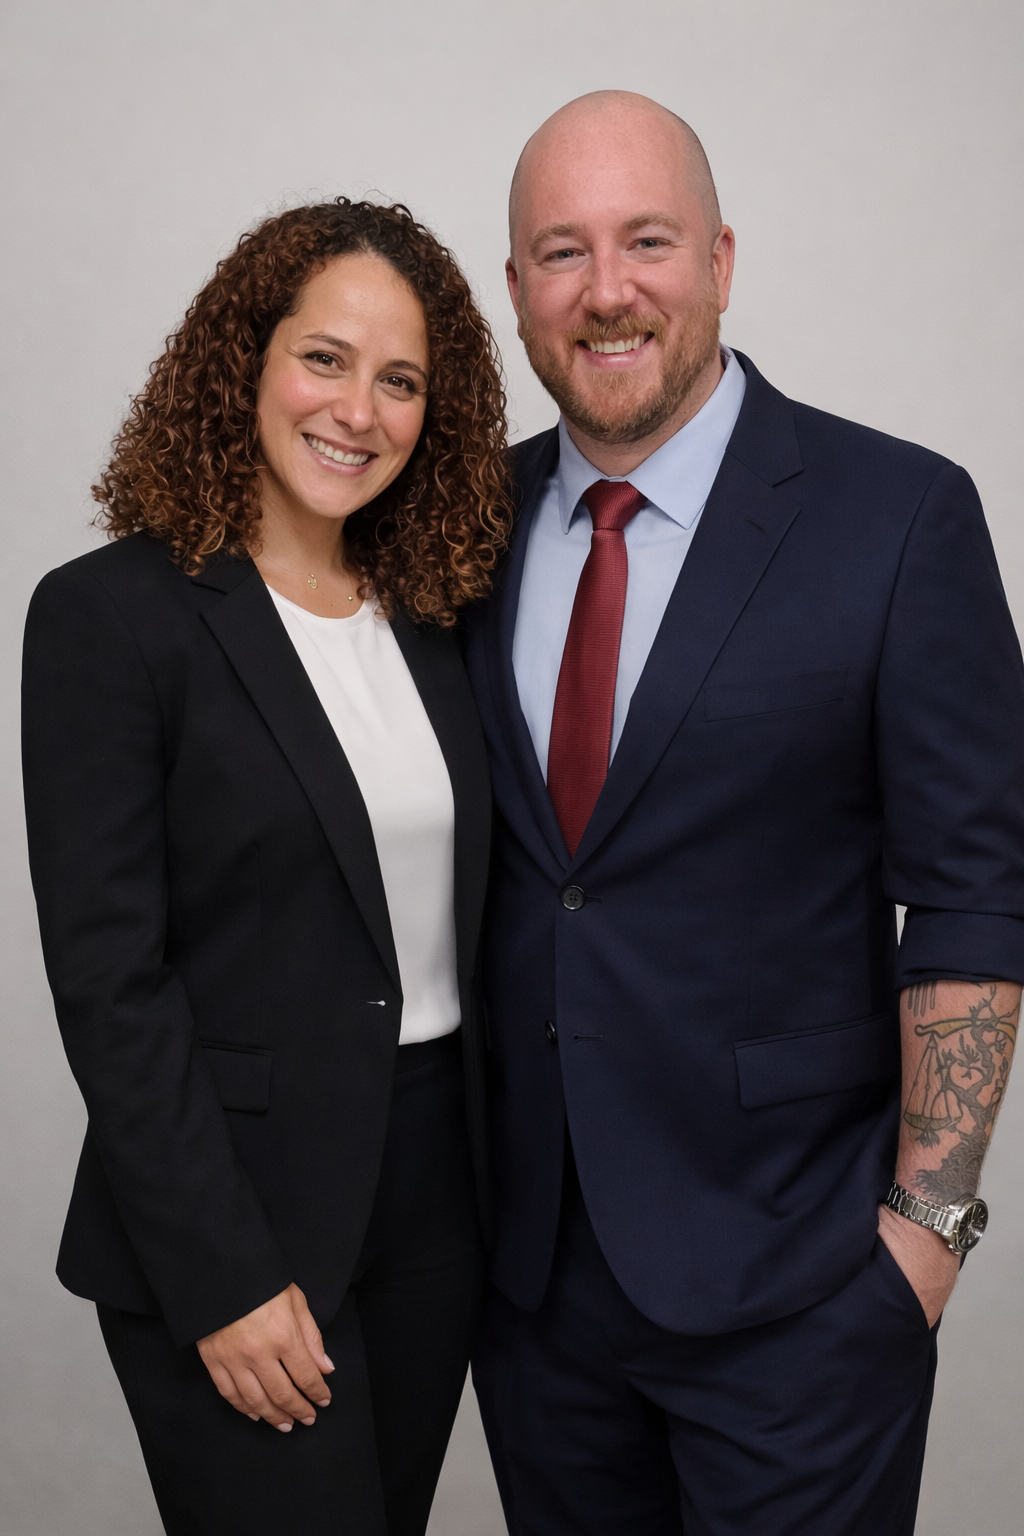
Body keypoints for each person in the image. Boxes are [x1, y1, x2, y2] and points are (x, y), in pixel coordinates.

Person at [465, 91, 1024, 1535]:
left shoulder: (898, 517)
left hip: (806, 1287)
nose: (609, 291)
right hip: (533, 1294)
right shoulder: (462, 528)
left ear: (720, 257)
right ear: (515, 286)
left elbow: (974, 890)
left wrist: (927, 1237)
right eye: (562, 251)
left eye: (647, 241)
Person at [22, 198, 510, 1536]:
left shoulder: (439, 619)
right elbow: (110, 985)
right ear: (244, 360)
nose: (359, 408)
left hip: (435, 1202)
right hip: (233, 1210)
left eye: (402, 379)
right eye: (325, 358)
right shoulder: (109, 619)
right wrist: (220, 1276)